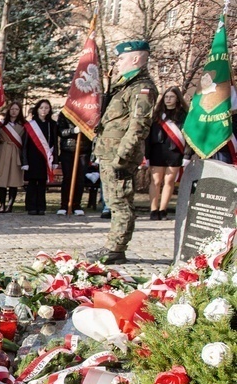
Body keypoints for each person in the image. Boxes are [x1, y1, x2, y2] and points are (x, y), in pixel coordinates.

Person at [88, 40, 157, 265]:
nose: (118, 63)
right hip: (109, 152)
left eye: (122, 58)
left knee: (120, 202)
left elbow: (139, 126)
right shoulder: (126, 85)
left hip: (119, 155)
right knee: (113, 200)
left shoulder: (142, 88)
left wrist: (123, 157)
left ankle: (117, 248)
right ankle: (112, 245)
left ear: (136, 59)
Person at [145, 86, 190, 220]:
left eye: (171, 97)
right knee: (156, 180)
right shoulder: (157, 114)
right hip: (157, 150)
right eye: (166, 97)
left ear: (177, 99)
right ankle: (153, 210)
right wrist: (146, 154)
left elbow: (189, 136)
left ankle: (163, 209)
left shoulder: (184, 115)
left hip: (175, 150)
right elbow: (148, 135)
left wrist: (187, 155)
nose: (168, 99)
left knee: (169, 180)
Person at [21, 99, 59, 216]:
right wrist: (24, 161)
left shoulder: (52, 124)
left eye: (46, 108)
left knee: (42, 182)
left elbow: (54, 143)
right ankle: (31, 206)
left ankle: (41, 207)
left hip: (45, 157)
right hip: (32, 157)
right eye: (41, 108)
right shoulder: (30, 125)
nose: (44, 110)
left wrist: (55, 160)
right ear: (37, 109)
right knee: (32, 183)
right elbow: (25, 144)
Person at [0, 102, 25, 213]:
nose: (14, 111)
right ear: (8, 110)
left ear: (20, 111)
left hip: (16, 154)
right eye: (12, 109)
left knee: (13, 181)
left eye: (16, 109)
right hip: (2, 153)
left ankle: (10, 205)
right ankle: (2, 205)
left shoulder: (24, 126)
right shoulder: (1, 125)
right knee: (2, 181)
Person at [57, 111, 92, 215]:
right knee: (67, 178)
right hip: (68, 150)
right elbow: (60, 131)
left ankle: (77, 205)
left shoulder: (89, 113)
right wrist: (73, 130)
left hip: (83, 150)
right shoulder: (65, 113)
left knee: (80, 179)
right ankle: (64, 205)